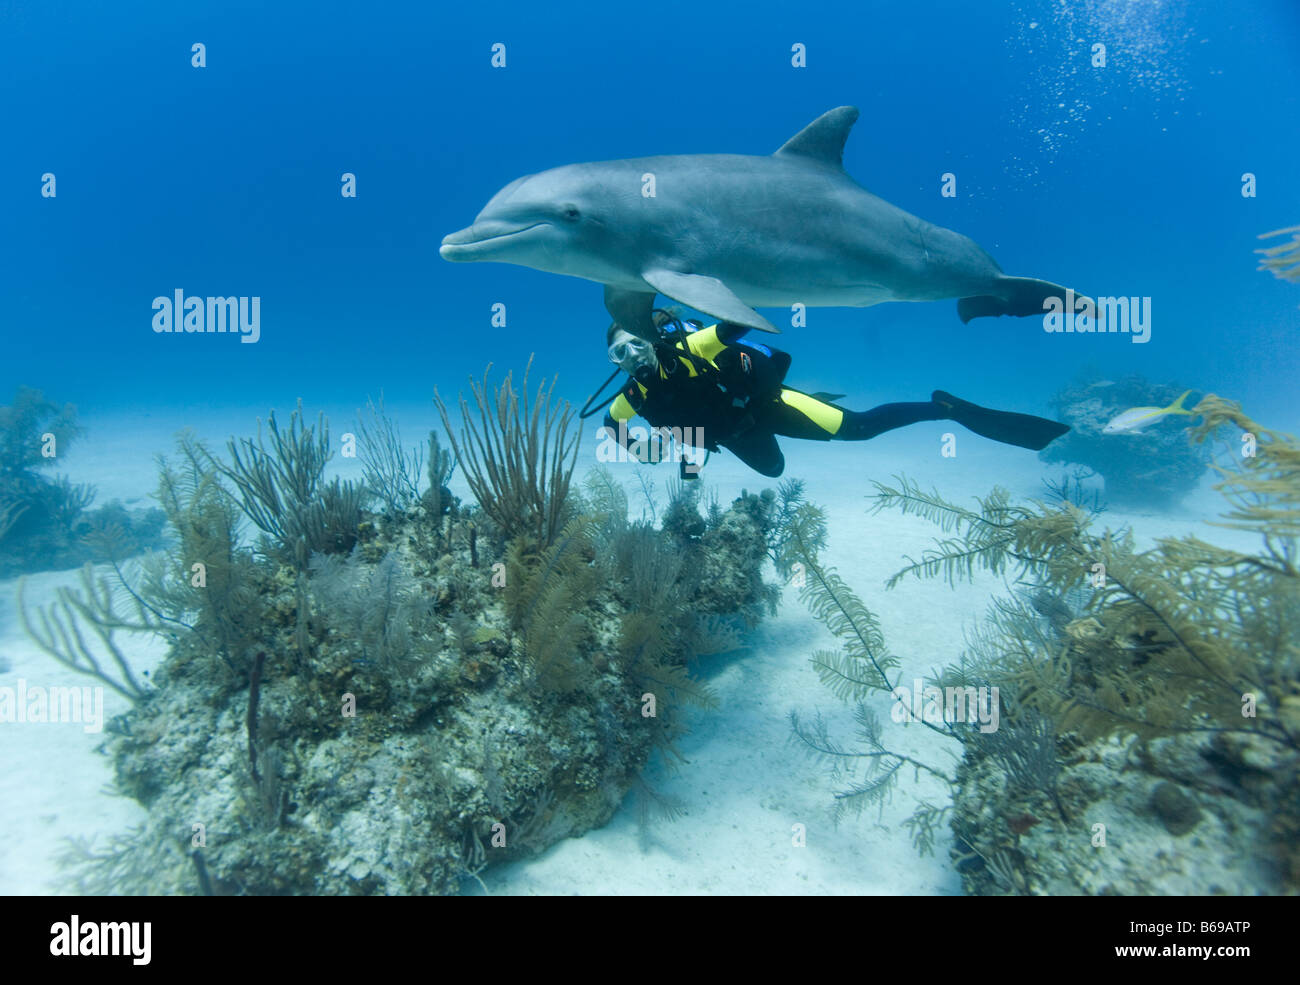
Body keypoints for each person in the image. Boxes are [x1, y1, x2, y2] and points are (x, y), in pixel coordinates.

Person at [596, 313, 1069, 478]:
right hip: (736, 432)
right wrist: (638, 450)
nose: (633, 356)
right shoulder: (633, 395)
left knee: (859, 428)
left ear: (652, 338)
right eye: (621, 353)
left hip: (767, 404)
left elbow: (737, 325)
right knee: (774, 470)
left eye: (637, 342)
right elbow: (608, 424)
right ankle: (820, 401)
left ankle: (944, 408)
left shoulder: (693, 347)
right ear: (614, 363)